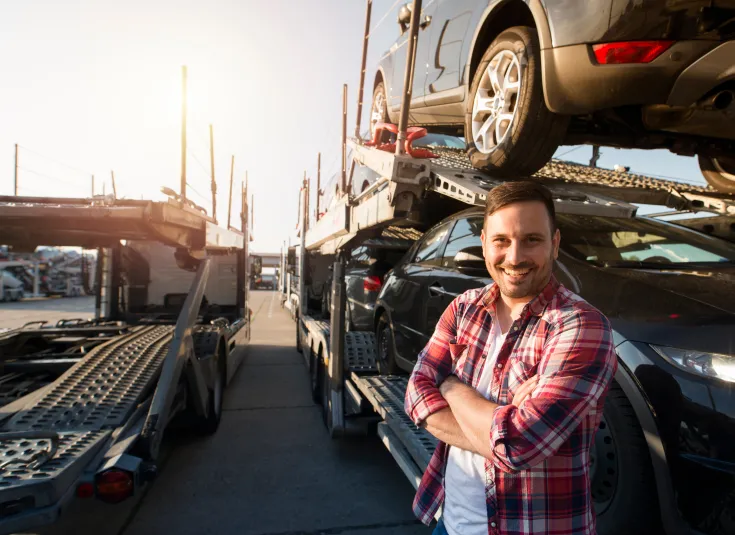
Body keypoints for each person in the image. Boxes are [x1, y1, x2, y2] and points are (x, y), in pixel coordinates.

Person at [404, 181, 618, 535]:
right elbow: (415, 393)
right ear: (485, 242)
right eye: (501, 240)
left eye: (532, 239)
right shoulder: (464, 309)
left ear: (555, 244)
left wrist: (452, 387)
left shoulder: (581, 325)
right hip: (451, 521)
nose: (515, 257)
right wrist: (500, 428)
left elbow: (519, 446)